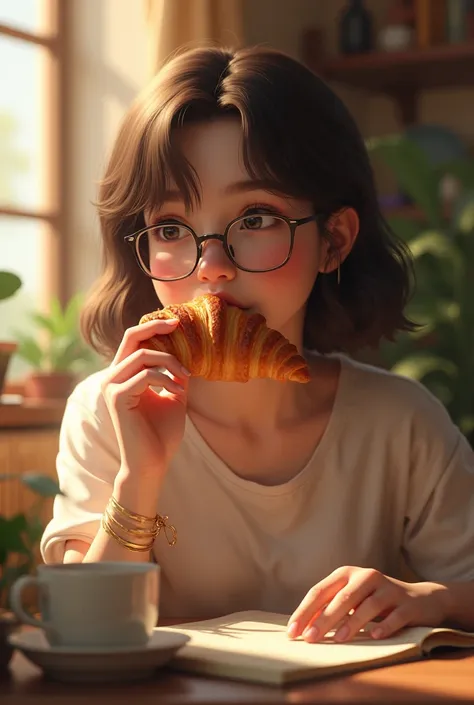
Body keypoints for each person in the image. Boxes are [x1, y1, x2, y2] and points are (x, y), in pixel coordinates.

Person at [40, 44, 474, 644]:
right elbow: (84, 635)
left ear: (335, 240)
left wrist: (425, 598)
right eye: (171, 228)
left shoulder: (398, 421)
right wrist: (139, 475)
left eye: (255, 218)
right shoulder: (108, 411)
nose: (212, 266)